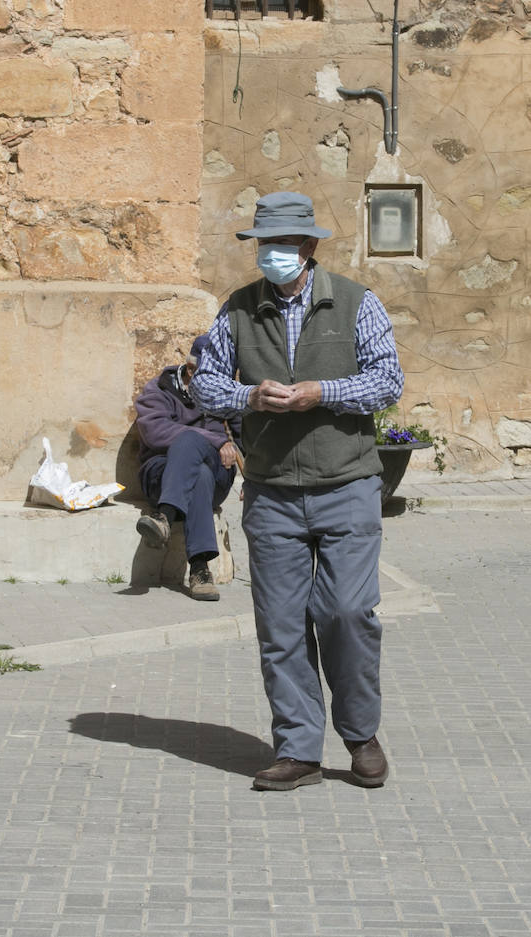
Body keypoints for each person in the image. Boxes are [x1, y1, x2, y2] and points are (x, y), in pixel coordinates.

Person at [191, 192, 406, 792]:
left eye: (285, 243)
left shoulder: (358, 303)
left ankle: (360, 734)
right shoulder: (236, 311)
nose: (273, 254)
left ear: (310, 247)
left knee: (346, 613)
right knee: (281, 625)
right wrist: (249, 398)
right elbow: (205, 382)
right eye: (266, 244)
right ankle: (298, 750)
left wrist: (322, 394)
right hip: (272, 490)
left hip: (348, 484)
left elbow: (388, 380)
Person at [133, 335, 243, 601]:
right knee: (193, 454)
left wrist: (253, 481)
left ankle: (164, 518)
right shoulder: (159, 389)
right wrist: (217, 440)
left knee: (202, 464)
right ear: (191, 369)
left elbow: (246, 441)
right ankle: (200, 568)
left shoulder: (226, 393)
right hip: (162, 476)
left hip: (218, 476)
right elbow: (155, 432)